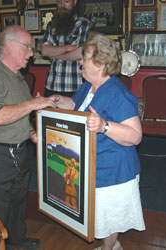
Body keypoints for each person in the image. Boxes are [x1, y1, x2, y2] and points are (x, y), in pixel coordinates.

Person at [50, 32, 146, 250]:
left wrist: (105, 126)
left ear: (101, 64)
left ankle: (109, 248)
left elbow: (135, 135)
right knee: (101, 216)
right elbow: (76, 106)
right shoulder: (88, 86)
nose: (80, 62)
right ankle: (111, 246)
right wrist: (58, 101)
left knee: (109, 218)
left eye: (84, 57)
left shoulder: (117, 93)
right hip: (94, 167)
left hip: (114, 171)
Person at [0, 25, 56, 250]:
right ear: (9, 45)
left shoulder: (17, 77)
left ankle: (16, 239)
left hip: (18, 151)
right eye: (27, 47)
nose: (31, 53)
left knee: (18, 201)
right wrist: (33, 103)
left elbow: (20, 113)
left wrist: (32, 133)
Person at [41, 0, 91, 97]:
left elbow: (80, 53)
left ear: (75, 2)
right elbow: (44, 51)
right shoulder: (51, 25)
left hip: (74, 86)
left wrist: (55, 54)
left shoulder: (83, 24)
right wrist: (68, 48)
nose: (62, 5)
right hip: (51, 85)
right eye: (59, 2)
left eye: (66, 1)